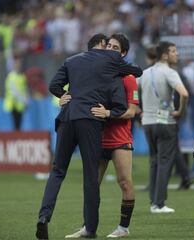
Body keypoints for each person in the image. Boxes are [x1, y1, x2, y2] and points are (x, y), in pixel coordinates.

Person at [35, 33, 143, 240]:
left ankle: (44, 217)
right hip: (91, 123)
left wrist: (63, 96)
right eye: (108, 46)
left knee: (58, 171)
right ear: (101, 47)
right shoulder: (112, 65)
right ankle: (90, 229)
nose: (110, 50)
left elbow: (53, 86)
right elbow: (135, 72)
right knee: (91, 177)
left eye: (115, 47)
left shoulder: (72, 60)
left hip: (70, 119)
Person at [137, 41, 189, 213]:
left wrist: (139, 110)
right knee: (165, 162)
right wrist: (180, 111)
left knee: (154, 161)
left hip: (148, 123)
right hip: (166, 122)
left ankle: (153, 201)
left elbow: (131, 93)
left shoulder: (144, 73)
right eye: (174, 51)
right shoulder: (170, 72)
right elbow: (184, 93)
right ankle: (158, 204)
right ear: (165, 55)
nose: (177, 54)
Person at [3, 56, 28, 130]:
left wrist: (26, 101)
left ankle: (17, 139)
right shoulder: (11, 76)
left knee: (18, 124)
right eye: (17, 64)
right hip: (13, 104)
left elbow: (24, 89)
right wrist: (23, 100)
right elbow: (13, 91)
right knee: (15, 123)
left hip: (20, 104)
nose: (19, 66)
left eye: (19, 64)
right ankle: (14, 139)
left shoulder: (22, 76)